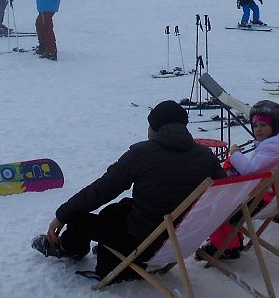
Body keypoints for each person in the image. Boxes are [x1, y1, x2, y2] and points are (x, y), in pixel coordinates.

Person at [31, 100, 225, 282]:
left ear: (155, 128)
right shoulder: (205, 156)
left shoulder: (143, 154)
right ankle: (109, 251)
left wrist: (62, 215)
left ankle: (70, 248)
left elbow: (101, 190)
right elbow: (224, 191)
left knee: (78, 218)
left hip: (142, 240)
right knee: (120, 208)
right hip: (182, 239)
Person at [201, 100, 279, 259]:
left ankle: (224, 246)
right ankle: (231, 243)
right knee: (226, 196)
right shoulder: (277, 143)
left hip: (263, 197)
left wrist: (234, 154)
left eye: (263, 125)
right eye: (255, 126)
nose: (258, 129)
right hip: (267, 192)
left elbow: (249, 170)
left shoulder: (274, 147)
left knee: (219, 202)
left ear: (275, 126)